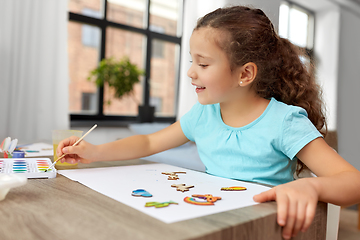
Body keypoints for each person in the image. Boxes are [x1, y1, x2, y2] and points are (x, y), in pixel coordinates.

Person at [57, 5, 360, 239]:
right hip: (213, 221)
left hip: (262, 229)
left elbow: (352, 182)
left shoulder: (283, 121)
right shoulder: (204, 115)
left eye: (203, 63)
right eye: (192, 61)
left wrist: (312, 188)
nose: (191, 72)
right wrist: (94, 152)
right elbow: (149, 142)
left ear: (245, 74)